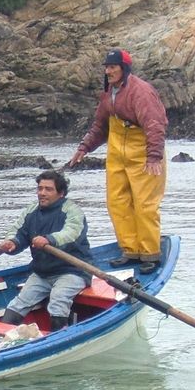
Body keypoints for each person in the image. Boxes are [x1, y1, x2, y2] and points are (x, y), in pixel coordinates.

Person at [67, 48, 168, 275]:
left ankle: (151, 253)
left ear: (124, 68)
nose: (108, 71)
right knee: (117, 203)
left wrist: (154, 157)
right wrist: (84, 147)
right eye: (107, 67)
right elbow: (100, 126)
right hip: (117, 154)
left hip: (142, 154)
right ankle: (130, 250)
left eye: (112, 67)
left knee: (145, 205)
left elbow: (155, 125)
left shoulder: (141, 92)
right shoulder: (108, 92)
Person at [0, 170, 93, 332]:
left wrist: (49, 239)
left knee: (58, 301)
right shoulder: (31, 211)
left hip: (73, 271)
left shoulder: (73, 211)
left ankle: (57, 338)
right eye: (40, 189)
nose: (42, 193)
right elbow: (18, 232)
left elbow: (71, 234)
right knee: (18, 304)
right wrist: (11, 242)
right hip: (42, 273)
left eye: (48, 189)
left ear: (61, 193)